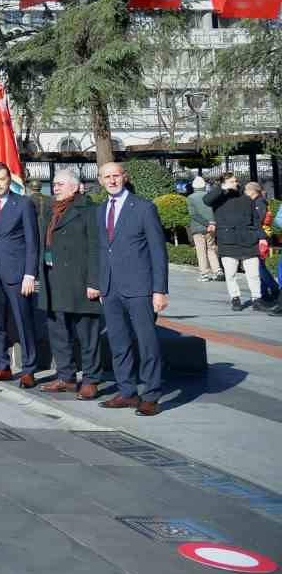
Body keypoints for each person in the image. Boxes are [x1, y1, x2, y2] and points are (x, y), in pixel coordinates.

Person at [89, 161, 169, 416]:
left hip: (140, 288)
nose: (112, 181)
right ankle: (127, 392)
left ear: (124, 177)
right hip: (110, 289)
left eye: (116, 176)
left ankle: (152, 394)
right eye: (106, 177)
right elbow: (102, 250)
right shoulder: (100, 210)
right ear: (100, 181)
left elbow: (158, 252)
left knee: (147, 343)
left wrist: (159, 290)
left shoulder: (144, 208)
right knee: (119, 343)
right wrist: (101, 285)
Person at [36, 170, 103, 397]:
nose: (55, 188)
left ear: (74, 187)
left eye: (60, 184)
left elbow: (96, 248)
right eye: (54, 184)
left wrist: (94, 282)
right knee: (58, 332)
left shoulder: (88, 210)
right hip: (53, 280)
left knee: (87, 335)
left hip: (80, 282)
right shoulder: (51, 210)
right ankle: (65, 377)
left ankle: (91, 379)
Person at [0, 163, 41, 387]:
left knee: (23, 321)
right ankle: (2, 365)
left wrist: (30, 274)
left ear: (9, 179)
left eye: (1, 179)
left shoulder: (23, 204)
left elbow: (33, 242)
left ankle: (29, 368)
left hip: (17, 273)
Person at [205, 173, 266, 311]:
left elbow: (256, 221)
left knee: (254, 274)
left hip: (248, 241)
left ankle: (257, 299)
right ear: (223, 183)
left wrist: (262, 238)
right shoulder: (218, 199)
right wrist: (223, 189)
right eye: (231, 181)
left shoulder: (246, 198)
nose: (235, 183)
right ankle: (235, 298)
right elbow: (207, 200)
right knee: (230, 274)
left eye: (236, 181)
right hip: (228, 241)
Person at [186, 177, 218, 281]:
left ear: (194, 187)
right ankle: (217, 270)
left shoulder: (190, 198)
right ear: (204, 186)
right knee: (211, 249)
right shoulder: (210, 196)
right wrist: (212, 223)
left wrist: (206, 223)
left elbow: (193, 214)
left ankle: (204, 274)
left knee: (201, 251)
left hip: (198, 228)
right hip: (212, 227)